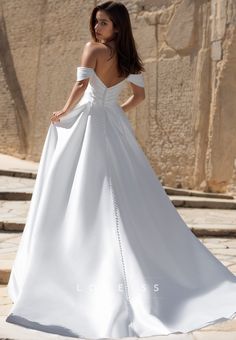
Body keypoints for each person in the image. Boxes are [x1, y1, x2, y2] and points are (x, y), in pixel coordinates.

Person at [5, 1, 236, 339]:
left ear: (117, 27)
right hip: (112, 123)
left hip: (91, 122)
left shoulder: (92, 50)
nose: (98, 28)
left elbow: (82, 86)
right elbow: (139, 96)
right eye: (97, 22)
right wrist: (117, 110)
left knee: (85, 184)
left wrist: (63, 111)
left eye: (104, 23)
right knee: (120, 188)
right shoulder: (129, 59)